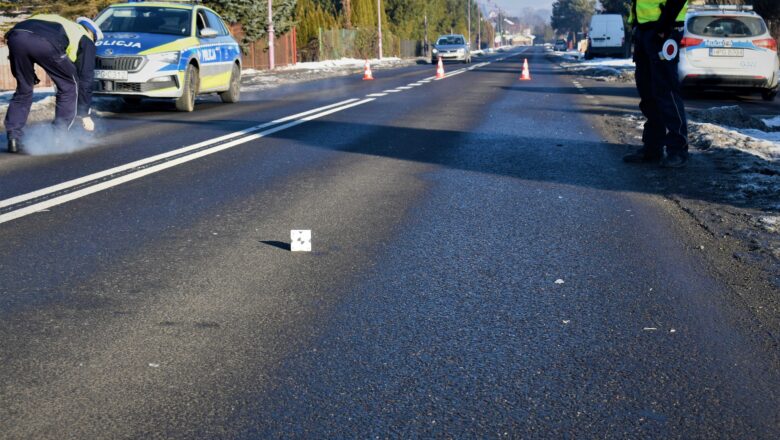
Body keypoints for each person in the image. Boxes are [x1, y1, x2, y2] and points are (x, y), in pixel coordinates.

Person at [3, 15, 102, 153]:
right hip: (45, 42)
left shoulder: (57, 20)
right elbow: (86, 79)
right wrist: (84, 113)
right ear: (92, 33)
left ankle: (14, 138)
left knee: (24, 88)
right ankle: (58, 136)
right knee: (69, 86)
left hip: (16, 36)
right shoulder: (86, 38)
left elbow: (27, 36)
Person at [624, 0, 689, 168]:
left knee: (666, 90)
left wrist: (664, 26)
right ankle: (652, 148)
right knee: (647, 91)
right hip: (644, 30)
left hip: (664, 28)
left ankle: (677, 149)